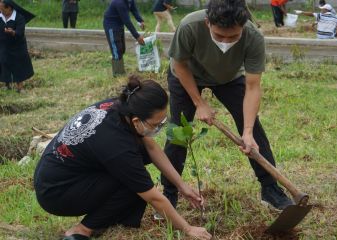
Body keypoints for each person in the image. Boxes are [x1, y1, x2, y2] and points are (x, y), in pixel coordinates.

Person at [34, 76, 212, 240]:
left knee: (135, 172)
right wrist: (188, 229)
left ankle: (110, 216)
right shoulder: (116, 145)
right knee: (134, 185)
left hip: (60, 174)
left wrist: (182, 185)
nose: (159, 128)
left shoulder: (123, 106)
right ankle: (83, 229)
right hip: (57, 192)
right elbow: (153, 197)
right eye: (157, 125)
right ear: (136, 121)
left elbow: (149, 145)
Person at [161, 0, 294, 212]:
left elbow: (252, 87)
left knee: (254, 130)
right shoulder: (189, 25)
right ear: (207, 23)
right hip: (186, 74)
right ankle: (169, 192)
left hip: (228, 77)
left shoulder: (253, 37)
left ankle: (270, 189)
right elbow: (179, 64)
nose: (225, 42)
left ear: (243, 26)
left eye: (233, 37)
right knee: (178, 131)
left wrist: (247, 131)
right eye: (219, 36)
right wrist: (199, 103)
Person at [103, 0, 145, 77]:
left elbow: (134, 10)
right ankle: (118, 74)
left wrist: (140, 20)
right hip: (111, 25)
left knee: (122, 49)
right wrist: (137, 36)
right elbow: (127, 21)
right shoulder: (119, 2)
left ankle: (119, 69)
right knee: (116, 50)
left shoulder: (130, 0)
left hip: (119, 25)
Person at [0, 0, 34, 93]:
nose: (1, 11)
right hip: (3, 45)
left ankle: (20, 87)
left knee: (18, 65)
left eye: (3, 10)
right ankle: (7, 85)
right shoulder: (0, 16)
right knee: (4, 63)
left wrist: (13, 32)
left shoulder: (19, 18)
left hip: (17, 46)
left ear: (9, 8)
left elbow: (20, 32)